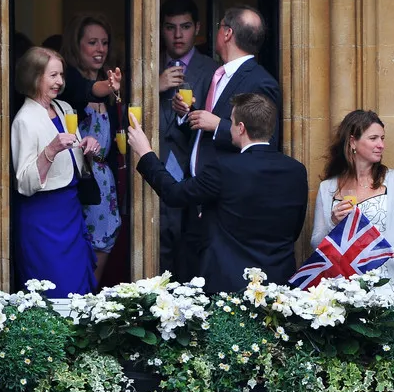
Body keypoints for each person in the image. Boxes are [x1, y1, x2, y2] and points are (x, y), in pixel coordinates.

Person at [127, 93, 308, 295]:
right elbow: (294, 229)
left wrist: (145, 153)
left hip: (230, 286)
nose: (229, 127)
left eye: (231, 122)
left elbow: (174, 194)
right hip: (278, 282)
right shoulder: (297, 170)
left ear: (241, 128)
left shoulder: (224, 168)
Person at [173, 5, 282, 279]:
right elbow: (202, 132)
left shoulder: (260, 81)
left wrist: (218, 125)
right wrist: (186, 116)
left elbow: (265, 141)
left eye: (220, 25)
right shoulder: (217, 74)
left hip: (226, 201)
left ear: (227, 33)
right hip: (196, 195)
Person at [311, 110, 394, 295]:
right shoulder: (328, 188)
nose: (381, 145)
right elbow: (316, 244)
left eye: (382, 138)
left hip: (389, 287)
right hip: (345, 291)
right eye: (374, 138)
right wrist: (333, 223)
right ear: (353, 141)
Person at [11, 46, 100, 297]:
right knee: (53, 290)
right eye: (53, 76)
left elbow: (78, 162)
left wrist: (90, 150)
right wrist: (50, 150)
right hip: (42, 219)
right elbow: (24, 183)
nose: (60, 82)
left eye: (61, 75)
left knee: (77, 293)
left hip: (70, 210)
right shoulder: (24, 120)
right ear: (35, 77)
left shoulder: (65, 109)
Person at [157, 0, 220, 279]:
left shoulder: (213, 70)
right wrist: (152, 86)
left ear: (197, 27)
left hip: (195, 172)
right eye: (170, 27)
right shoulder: (146, 64)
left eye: (184, 26)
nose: (178, 34)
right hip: (155, 167)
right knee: (157, 248)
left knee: (192, 250)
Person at [60, 13, 124, 285]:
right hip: (76, 179)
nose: (100, 50)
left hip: (104, 180)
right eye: (92, 43)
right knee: (75, 251)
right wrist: (107, 86)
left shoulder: (115, 85)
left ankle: (90, 301)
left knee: (104, 245)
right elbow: (88, 89)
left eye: (104, 43)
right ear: (77, 46)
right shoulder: (68, 81)